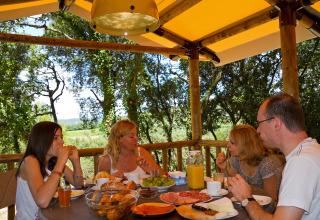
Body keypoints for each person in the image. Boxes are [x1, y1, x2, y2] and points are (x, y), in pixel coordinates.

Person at [229, 93, 320, 220]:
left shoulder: (300, 163)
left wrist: (246, 198)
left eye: (260, 123)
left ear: (276, 124)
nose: (258, 130)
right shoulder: (312, 151)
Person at [15, 121, 83, 220]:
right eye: (56, 138)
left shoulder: (53, 162)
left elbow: (78, 184)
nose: (62, 142)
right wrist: (60, 162)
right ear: (42, 140)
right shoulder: (30, 161)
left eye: (61, 137)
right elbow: (42, 201)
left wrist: (76, 161)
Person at [216, 124, 281, 200]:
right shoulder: (236, 159)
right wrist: (224, 169)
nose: (228, 145)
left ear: (245, 145)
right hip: (245, 203)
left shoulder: (266, 164)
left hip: (263, 207)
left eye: (232, 143)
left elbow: (270, 200)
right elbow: (231, 185)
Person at [98, 119, 164, 178]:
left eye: (136, 135)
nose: (137, 139)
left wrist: (150, 171)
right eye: (132, 137)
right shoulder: (106, 160)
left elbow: (164, 176)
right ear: (119, 139)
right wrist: (111, 179)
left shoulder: (141, 152)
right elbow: (99, 186)